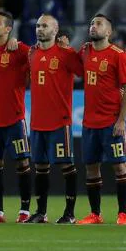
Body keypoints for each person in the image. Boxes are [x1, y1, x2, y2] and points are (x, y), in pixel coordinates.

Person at [26, 14, 83, 224]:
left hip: (59, 121)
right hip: (37, 123)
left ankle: (70, 213)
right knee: (40, 167)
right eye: (38, 25)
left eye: (45, 26)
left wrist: (70, 48)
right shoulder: (31, 52)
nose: (40, 29)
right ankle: (41, 212)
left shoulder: (65, 54)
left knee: (66, 166)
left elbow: (83, 71)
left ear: (56, 30)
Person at [78, 14, 126, 225]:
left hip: (111, 122)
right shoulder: (85, 52)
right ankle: (95, 214)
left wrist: (121, 120)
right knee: (92, 168)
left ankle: (123, 214)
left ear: (108, 31)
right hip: (89, 124)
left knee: (119, 167)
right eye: (91, 23)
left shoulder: (118, 55)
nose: (93, 26)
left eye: (98, 24)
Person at [0, 11, 32, 223]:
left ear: (8, 28)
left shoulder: (19, 50)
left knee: (22, 163)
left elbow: (39, 55)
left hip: (14, 119)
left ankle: (25, 211)